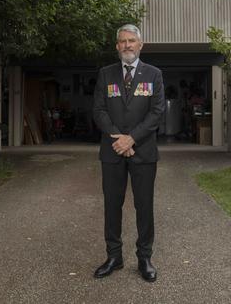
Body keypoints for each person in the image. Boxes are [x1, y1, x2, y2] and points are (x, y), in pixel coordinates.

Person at [92, 24, 165, 282]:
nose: (127, 45)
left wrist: (132, 138)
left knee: (144, 206)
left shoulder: (154, 74)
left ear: (140, 44)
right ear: (116, 46)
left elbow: (156, 112)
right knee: (112, 205)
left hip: (143, 151)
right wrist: (118, 138)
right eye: (122, 41)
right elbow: (99, 110)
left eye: (131, 40)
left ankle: (144, 258)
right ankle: (114, 256)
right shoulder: (106, 74)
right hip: (112, 151)